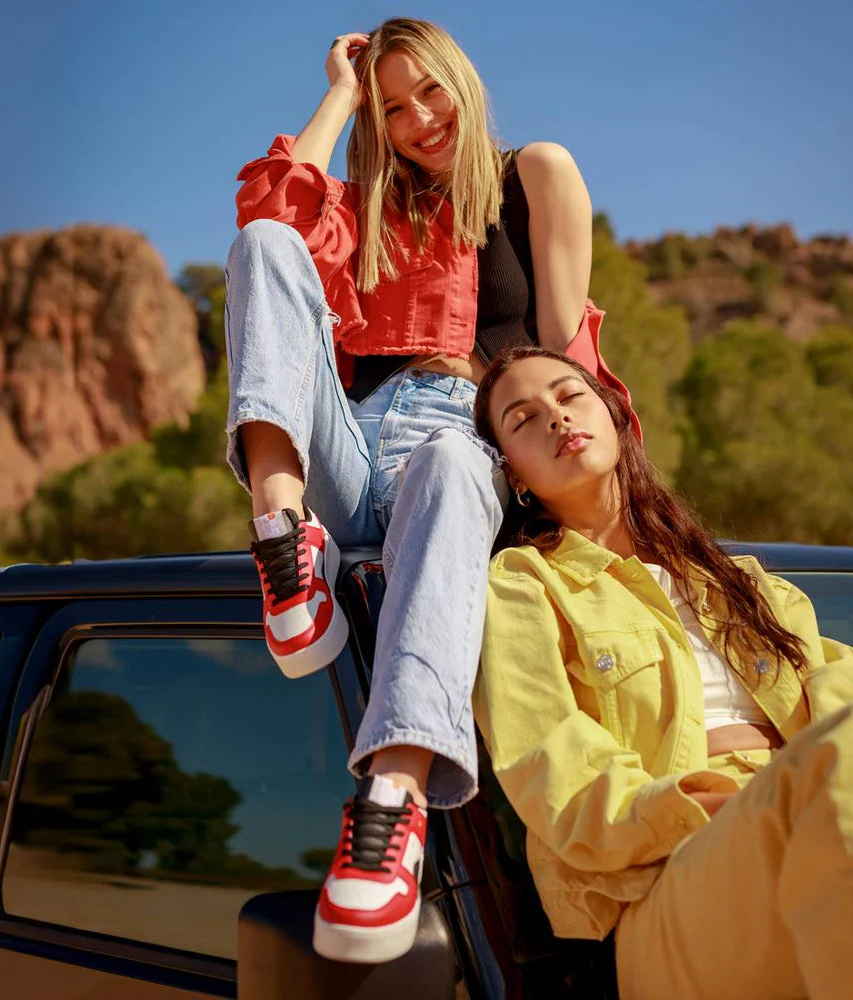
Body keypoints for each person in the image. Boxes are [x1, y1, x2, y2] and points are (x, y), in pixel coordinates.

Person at [224, 18, 624, 963]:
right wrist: (342, 92)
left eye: (428, 93)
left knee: (453, 461)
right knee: (265, 246)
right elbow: (275, 215)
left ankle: (391, 802)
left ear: (463, 79)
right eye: (393, 107)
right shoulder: (371, 205)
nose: (416, 120)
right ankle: (283, 534)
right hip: (340, 450)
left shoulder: (530, 176)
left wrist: (591, 497)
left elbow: (563, 353)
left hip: (455, 440)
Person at [471, 346, 853, 1000]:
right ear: (518, 477)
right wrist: (745, 806)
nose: (556, 419)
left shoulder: (746, 584)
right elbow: (552, 766)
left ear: (617, 417)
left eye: (569, 396)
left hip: (808, 818)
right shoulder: (525, 585)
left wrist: (804, 788)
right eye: (524, 418)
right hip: (662, 885)